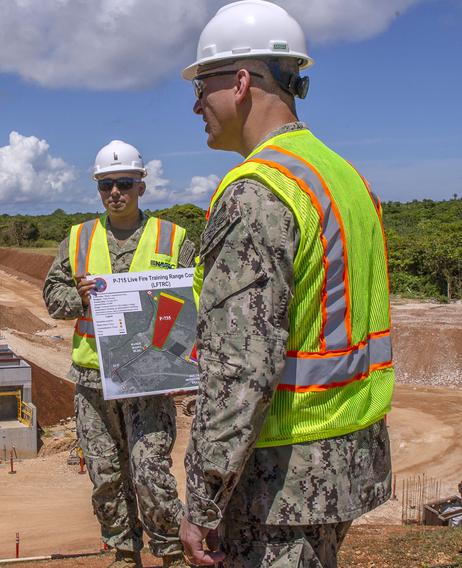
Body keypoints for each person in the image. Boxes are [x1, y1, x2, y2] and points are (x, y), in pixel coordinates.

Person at [177, 1, 394, 566]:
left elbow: (242, 369)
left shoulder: (256, 193)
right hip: (345, 458)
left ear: (242, 82)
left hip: (280, 480)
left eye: (202, 85)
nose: (196, 104)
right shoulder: (341, 175)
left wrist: (202, 498)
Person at [43, 140, 195, 567]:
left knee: (150, 471)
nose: (115, 192)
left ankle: (170, 553)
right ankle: (124, 553)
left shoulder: (174, 238)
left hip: (150, 378)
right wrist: (79, 297)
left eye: (124, 183)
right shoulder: (78, 239)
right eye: (106, 185)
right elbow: (53, 298)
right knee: (105, 473)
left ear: (141, 186)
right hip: (93, 380)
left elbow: (195, 299)